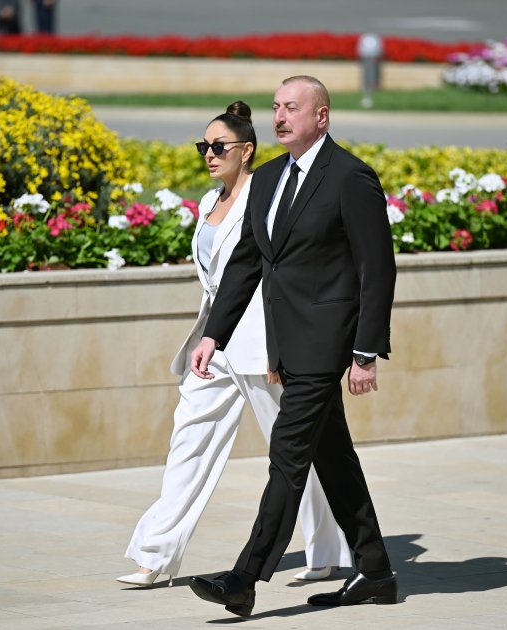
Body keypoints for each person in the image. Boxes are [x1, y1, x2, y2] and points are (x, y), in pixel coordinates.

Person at [117, 100, 352, 589]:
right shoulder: (207, 203)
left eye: (218, 145)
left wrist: (276, 353)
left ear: (246, 151)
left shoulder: (265, 196)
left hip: (263, 343)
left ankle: (327, 549)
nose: (208, 153)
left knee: (291, 452)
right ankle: (154, 556)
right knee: (188, 444)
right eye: (203, 145)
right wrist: (209, 335)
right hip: (213, 344)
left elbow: (266, 274)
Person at [187, 76, 398, 617]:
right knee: (335, 459)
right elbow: (248, 262)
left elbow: (378, 270)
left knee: (287, 459)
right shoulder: (269, 178)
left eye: (292, 108)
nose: (280, 117)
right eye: (276, 108)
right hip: (287, 343)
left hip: (327, 346)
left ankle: (244, 577)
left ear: (321, 117)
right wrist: (215, 333)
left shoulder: (351, 177)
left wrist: (365, 352)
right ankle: (375, 572)